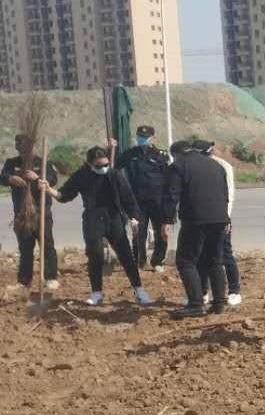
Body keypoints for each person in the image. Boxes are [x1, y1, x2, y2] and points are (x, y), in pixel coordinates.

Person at [51, 145, 152, 307]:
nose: (103, 168)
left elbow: (128, 199)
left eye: (106, 164)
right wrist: (49, 190)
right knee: (95, 255)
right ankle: (96, 292)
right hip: (93, 219)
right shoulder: (82, 175)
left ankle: (139, 289)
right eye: (99, 166)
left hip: (114, 218)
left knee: (126, 255)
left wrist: (134, 218)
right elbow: (65, 195)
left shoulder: (114, 174)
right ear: (90, 164)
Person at [163, 139, 231, 319]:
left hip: (196, 220)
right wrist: (226, 218)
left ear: (175, 154)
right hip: (219, 218)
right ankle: (219, 303)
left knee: (186, 261)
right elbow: (224, 194)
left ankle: (195, 303)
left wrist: (167, 221)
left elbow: (172, 195)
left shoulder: (178, 166)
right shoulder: (216, 165)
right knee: (214, 260)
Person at [2, 135, 59, 292]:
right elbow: (3, 177)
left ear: (31, 147)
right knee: (25, 247)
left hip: (41, 211)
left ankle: (51, 278)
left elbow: (53, 179)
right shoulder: (11, 163)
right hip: (22, 213)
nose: (20, 149)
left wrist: (38, 177)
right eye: (18, 145)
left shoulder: (42, 162)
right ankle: (24, 281)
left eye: (23, 146)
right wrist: (11, 178)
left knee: (47, 245)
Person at [118, 124, 171, 272]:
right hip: (137, 201)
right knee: (138, 233)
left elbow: (168, 177)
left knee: (161, 233)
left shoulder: (161, 155)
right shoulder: (129, 154)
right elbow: (114, 166)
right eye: (140, 137)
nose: (142, 140)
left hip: (158, 200)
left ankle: (158, 261)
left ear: (153, 137)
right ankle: (139, 262)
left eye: (145, 138)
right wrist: (111, 148)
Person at [195, 141, 241, 306]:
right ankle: (203, 291)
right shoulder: (197, 167)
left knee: (225, 254)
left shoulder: (223, 166)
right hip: (203, 219)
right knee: (201, 255)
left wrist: (225, 218)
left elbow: (228, 194)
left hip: (220, 218)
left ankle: (234, 290)